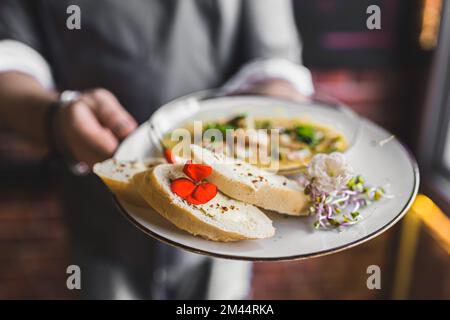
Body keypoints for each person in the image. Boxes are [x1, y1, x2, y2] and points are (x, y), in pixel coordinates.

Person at [0, 0, 314, 299]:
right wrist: (57, 118)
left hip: (227, 226)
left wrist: (265, 116)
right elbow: (10, 60)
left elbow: (275, 62)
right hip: (102, 217)